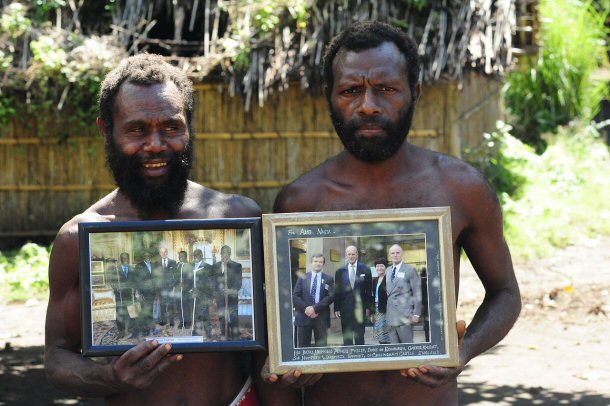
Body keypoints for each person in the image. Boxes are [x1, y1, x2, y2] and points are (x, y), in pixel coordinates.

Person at [260, 21, 521, 405]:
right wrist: (293, 363)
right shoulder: (299, 203)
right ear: (329, 97)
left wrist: (463, 352)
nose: (367, 105)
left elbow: (505, 293)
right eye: (351, 90)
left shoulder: (461, 190)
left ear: (414, 92)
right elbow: (286, 327)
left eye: (386, 89)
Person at [44, 53, 262, 405]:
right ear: (106, 130)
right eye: (137, 129)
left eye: (171, 127)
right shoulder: (79, 239)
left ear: (188, 126)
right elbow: (56, 358)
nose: (156, 144)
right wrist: (108, 377)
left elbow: (272, 339)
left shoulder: (240, 218)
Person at [292, 254, 335, 347]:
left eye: (320, 262)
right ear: (311, 263)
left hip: (321, 318)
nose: (318, 264)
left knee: (321, 349)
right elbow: (295, 296)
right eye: (315, 261)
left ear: (323, 264)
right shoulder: (302, 277)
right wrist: (306, 309)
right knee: (303, 348)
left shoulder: (329, 279)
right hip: (304, 317)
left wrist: (315, 309)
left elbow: (331, 296)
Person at [333, 245, 373, 346]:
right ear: (346, 255)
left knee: (359, 336)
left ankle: (360, 357)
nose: (351, 256)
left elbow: (369, 290)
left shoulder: (366, 269)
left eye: (353, 254)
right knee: (347, 337)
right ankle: (348, 358)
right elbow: (337, 291)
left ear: (357, 255)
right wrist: (336, 308)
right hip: (345, 309)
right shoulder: (340, 271)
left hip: (361, 309)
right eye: (349, 254)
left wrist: (369, 308)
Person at [386, 244, 422, 344]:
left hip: (405, 315)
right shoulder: (388, 271)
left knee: (407, 348)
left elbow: (417, 293)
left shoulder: (410, 270)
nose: (395, 255)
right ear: (390, 255)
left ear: (402, 254)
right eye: (392, 253)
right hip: (391, 316)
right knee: (394, 349)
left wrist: (416, 314)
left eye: (398, 252)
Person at [210, 245, 242, 339]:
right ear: (220, 254)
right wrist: (214, 297)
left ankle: (235, 339)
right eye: (223, 252)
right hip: (220, 298)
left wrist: (231, 290)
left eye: (227, 252)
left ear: (230, 253)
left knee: (233, 319)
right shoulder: (215, 266)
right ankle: (224, 338)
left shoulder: (237, 266)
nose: (225, 254)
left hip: (232, 298)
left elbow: (238, 283)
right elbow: (214, 283)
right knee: (222, 319)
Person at [106, 252, 137, 338]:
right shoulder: (116, 270)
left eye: (127, 258)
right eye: (123, 258)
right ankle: (121, 330)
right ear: (121, 259)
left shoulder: (132, 269)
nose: (125, 260)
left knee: (131, 311)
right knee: (120, 312)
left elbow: (135, 280)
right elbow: (112, 281)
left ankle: (131, 328)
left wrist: (134, 288)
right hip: (120, 295)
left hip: (130, 294)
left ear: (129, 259)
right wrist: (116, 288)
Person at [155, 246, 177, 326]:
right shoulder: (156, 263)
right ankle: (163, 321)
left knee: (171, 305)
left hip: (170, 288)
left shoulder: (173, 262)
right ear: (160, 254)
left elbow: (176, 276)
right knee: (162, 305)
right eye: (162, 252)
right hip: (161, 289)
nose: (163, 254)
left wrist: (174, 287)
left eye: (165, 252)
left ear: (167, 253)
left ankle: (171, 321)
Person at [372, 258, 390, 344]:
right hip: (376, 308)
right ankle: (382, 345)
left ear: (386, 267)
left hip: (386, 308)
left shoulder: (389, 279)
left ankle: (386, 346)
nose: (379, 268)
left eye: (382, 266)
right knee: (379, 329)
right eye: (377, 266)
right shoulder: (374, 280)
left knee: (385, 329)